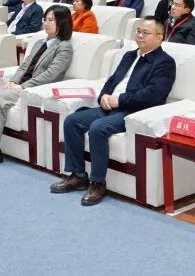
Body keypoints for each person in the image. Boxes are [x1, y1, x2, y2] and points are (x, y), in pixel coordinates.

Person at [50, 16, 175, 206]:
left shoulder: (164, 62)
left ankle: (98, 183)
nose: (140, 36)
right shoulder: (129, 55)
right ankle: (77, 175)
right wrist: (104, 96)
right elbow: (112, 80)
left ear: (159, 37)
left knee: (98, 128)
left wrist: (119, 100)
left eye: (145, 33)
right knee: (72, 121)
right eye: (138, 31)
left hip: (133, 111)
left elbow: (154, 95)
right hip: (110, 106)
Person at [0, 6, 75, 168]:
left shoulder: (64, 47)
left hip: (33, 89)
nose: (46, 23)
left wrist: (22, 86)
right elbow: (24, 66)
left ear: (62, 22)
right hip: (20, 84)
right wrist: (13, 81)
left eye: (51, 20)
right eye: (45, 20)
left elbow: (51, 74)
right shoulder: (40, 42)